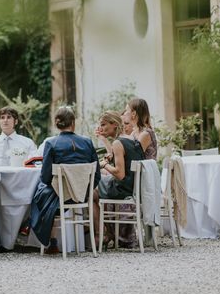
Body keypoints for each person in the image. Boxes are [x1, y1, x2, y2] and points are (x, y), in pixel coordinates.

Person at [29, 106, 100, 253]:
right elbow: (97, 174)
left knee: (37, 195)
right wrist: (81, 189)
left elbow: (45, 177)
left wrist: (62, 188)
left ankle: (48, 239)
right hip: (82, 195)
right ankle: (54, 240)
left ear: (56, 124)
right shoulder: (87, 142)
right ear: (73, 123)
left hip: (60, 196)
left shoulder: (51, 143)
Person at [93, 111, 145, 249]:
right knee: (100, 183)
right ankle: (110, 233)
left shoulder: (117, 143)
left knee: (91, 191)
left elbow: (120, 174)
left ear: (114, 124)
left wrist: (104, 165)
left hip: (122, 188)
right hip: (134, 186)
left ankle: (103, 234)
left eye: (103, 124)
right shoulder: (132, 139)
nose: (101, 128)